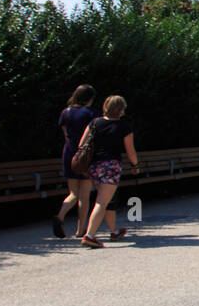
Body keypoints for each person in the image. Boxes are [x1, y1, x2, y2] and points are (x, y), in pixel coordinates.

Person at [79, 95, 140, 249]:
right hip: (111, 167)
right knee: (102, 202)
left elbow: (81, 144)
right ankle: (90, 236)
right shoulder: (123, 126)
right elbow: (130, 151)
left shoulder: (94, 123)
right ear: (120, 109)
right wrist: (135, 165)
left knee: (107, 200)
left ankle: (114, 231)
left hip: (94, 166)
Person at [53, 84, 97, 238]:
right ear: (89, 98)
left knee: (73, 193)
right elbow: (93, 135)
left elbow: (66, 135)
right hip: (85, 156)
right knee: (84, 196)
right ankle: (80, 230)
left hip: (69, 154)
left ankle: (60, 215)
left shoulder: (66, 113)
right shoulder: (91, 113)